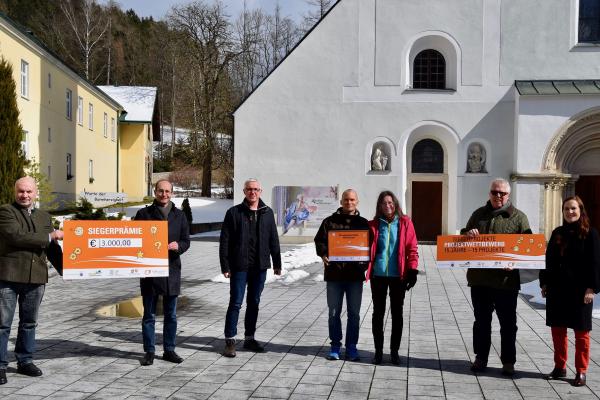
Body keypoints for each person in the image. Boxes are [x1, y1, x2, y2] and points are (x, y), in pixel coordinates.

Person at [461, 178, 531, 376]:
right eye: (495, 192)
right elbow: (463, 235)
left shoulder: (519, 218)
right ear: (489, 193)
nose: (498, 196)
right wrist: (468, 233)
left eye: (502, 193)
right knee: (481, 322)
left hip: (506, 282)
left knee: (508, 324)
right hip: (480, 280)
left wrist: (515, 262)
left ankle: (508, 361)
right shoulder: (478, 214)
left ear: (509, 195)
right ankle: (480, 358)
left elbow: (528, 247)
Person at [0, 177, 63, 385]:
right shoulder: (6, 211)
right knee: (3, 324)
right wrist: (49, 236)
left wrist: (67, 269)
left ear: (36, 193)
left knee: (29, 323)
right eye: (21, 191)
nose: (24, 195)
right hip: (8, 276)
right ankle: (0, 366)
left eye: (29, 192)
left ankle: (25, 361)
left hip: (35, 277)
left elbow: (52, 248)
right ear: (15, 191)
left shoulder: (44, 216)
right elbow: (16, 237)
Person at [540, 196, 600, 387]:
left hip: (580, 291)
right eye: (566, 209)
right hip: (558, 290)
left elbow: (595, 263)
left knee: (581, 333)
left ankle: (581, 371)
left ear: (581, 210)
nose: (569, 212)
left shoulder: (591, 233)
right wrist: (544, 283)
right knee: (558, 331)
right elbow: (548, 260)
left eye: (573, 208)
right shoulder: (558, 232)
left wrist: (592, 287)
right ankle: (560, 367)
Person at [220, 179, 281, 357]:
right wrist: (225, 265)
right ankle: (230, 341)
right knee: (236, 303)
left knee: (254, 303)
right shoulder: (234, 212)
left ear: (260, 191)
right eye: (249, 189)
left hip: (259, 267)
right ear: (244, 191)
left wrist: (277, 263)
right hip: (239, 266)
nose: (252, 192)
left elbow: (273, 240)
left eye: (255, 189)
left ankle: (249, 338)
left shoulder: (267, 213)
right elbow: (225, 241)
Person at [134, 179, 190, 366]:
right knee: (149, 315)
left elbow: (186, 241)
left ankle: (169, 349)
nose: (164, 194)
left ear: (172, 193)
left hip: (171, 270)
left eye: (167, 191)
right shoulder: (143, 214)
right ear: (155, 192)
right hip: (150, 270)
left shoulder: (179, 215)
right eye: (160, 191)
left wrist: (178, 246)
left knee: (171, 315)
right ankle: (149, 351)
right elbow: (134, 240)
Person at [314, 189, 370, 361]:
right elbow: (319, 240)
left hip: (354, 276)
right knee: (333, 312)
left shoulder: (363, 223)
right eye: (346, 199)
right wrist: (323, 253)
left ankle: (352, 346)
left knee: (354, 314)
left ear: (357, 201)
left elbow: (370, 246)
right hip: (334, 275)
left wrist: (364, 264)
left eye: (352, 199)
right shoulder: (329, 222)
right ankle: (335, 345)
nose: (349, 202)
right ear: (341, 201)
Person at [366, 191, 419, 365]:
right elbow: (363, 248)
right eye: (384, 203)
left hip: (399, 276)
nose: (387, 206)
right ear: (379, 206)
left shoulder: (405, 223)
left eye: (390, 202)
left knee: (397, 314)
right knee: (378, 314)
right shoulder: (373, 225)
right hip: (378, 275)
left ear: (395, 204)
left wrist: (412, 270)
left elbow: (412, 248)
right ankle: (378, 352)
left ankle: (394, 352)